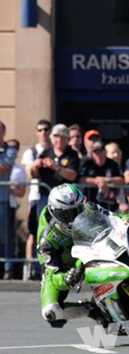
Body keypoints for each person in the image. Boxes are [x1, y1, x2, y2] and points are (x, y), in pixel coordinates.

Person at [37, 183, 129, 327]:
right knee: (51, 312)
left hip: (91, 247)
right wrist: (66, 278)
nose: (75, 216)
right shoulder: (48, 240)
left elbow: (114, 217)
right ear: (55, 213)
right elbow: (51, 274)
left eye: (78, 209)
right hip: (67, 266)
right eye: (67, 214)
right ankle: (92, 310)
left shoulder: (89, 207)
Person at [21, 119, 52, 280]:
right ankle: (30, 266)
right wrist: (36, 165)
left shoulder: (55, 150)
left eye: (46, 129)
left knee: (50, 233)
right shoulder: (31, 152)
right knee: (34, 233)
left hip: (52, 197)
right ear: (36, 132)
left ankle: (46, 267)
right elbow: (29, 175)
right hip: (36, 196)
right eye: (40, 130)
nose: (43, 133)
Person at [78, 139, 125, 212]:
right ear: (91, 154)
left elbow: (121, 180)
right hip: (90, 205)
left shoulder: (112, 164)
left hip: (109, 205)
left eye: (100, 151)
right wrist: (97, 181)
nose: (98, 155)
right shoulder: (87, 163)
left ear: (105, 152)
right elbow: (82, 179)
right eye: (95, 152)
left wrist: (106, 180)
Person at [0, 122, 18, 280]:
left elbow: (3, 168)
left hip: (3, 199)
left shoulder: (10, 150)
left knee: (5, 236)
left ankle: (8, 268)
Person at [6, 139, 26, 279]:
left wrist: (9, 188)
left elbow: (22, 192)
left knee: (8, 237)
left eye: (14, 148)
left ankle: (8, 268)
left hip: (9, 205)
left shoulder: (18, 169)